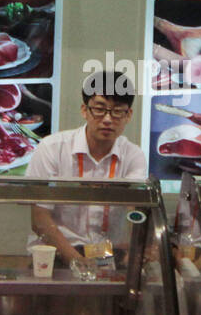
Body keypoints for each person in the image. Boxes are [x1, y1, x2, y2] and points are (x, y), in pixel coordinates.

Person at [25, 70, 146, 266]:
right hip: (54, 255)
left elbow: (136, 212)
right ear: (84, 110)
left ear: (128, 115)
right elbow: (40, 218)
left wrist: (135, 248)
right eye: (99, 109)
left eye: (117, 111)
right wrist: (76, 260)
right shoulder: (52, 148)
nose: (107, 119)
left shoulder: (133, 155)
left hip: (109, 256)